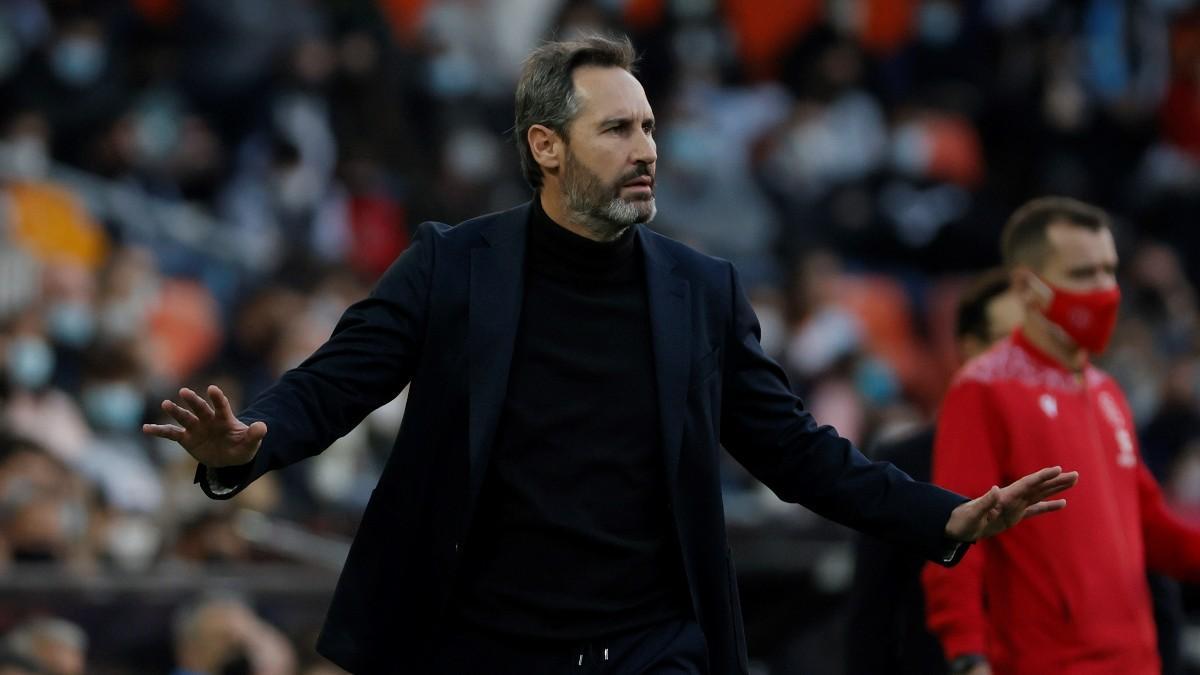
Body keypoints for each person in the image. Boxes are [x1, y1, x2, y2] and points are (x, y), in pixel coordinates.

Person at [145, 34, 1076, 674]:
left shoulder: (700, 289)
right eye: (619, 130)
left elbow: (793, 448)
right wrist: (249, 448)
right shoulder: (453, 265)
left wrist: (942, 518)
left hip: (649, 645)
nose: (649, 151)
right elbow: (336, 382)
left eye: (651, 128)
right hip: (476, 643)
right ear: (546, 146)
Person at [921, 196, 1200, 675]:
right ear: (1029, 288)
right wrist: (968, 656)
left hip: (1136, 662)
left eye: (1110, 271)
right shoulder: (983, 389)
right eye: (1084, 274)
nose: (1106, 289)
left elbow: (1149, 523)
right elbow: (958, 528)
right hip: (1048, 663)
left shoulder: (1106, 390)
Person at [845, 269, 1021, 675]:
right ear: (969, 348)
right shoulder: (903, 462)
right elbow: (872, 615)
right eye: (1007, 341)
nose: (1023, 358)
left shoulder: (1074, 459)